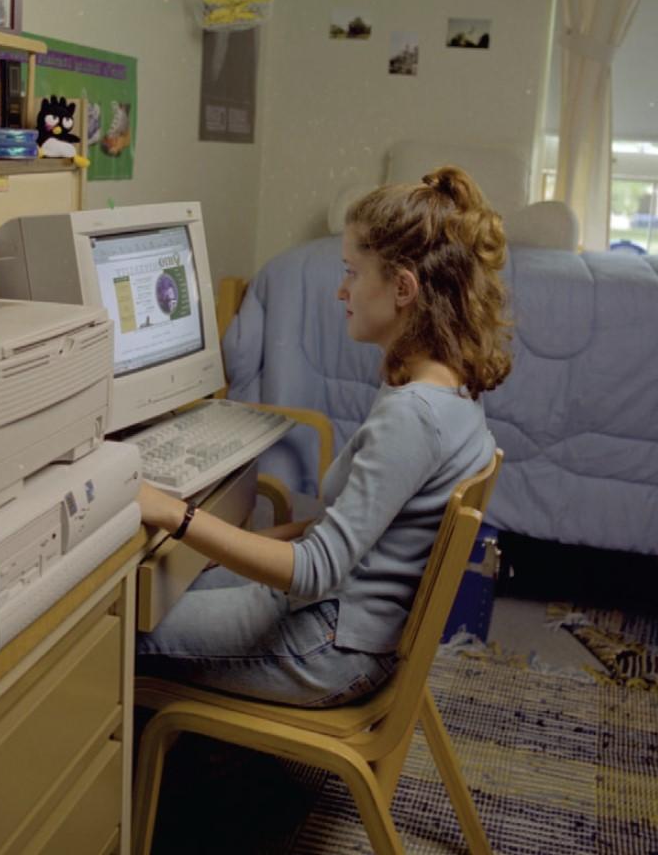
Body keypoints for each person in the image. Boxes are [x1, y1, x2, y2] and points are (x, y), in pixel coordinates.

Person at [136, 166, 511, 708]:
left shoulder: (412, 416)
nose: (341, 291)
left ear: (403, 288)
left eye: (353, 273)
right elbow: (353, 526)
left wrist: (176, 515)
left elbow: (314, 571)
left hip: (332, 645)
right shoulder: (448, 391)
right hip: (350, 624)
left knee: (121, 629)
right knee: (174, 586)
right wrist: (238, 544)